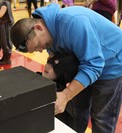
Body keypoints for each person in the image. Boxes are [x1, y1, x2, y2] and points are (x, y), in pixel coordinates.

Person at [10, 4, 122, 133]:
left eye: (37, 46)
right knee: (76, 111)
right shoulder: (47, 34)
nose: (41, 50)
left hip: (112, 64)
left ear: (38, 27)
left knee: (101, 119)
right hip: (85, 64)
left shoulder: (74, 22)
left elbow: (93, 65)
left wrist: (65, 95)